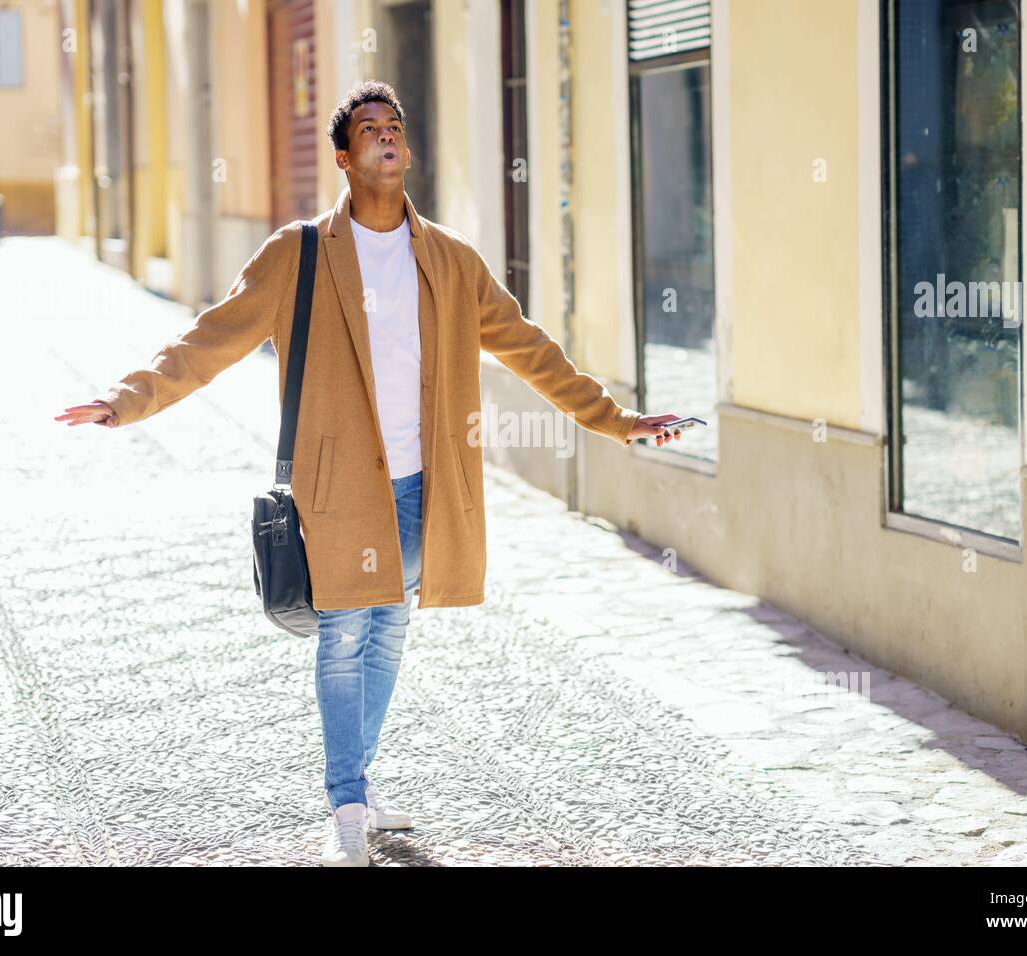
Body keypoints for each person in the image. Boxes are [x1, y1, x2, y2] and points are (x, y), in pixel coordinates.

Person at [55, 80, 685, 867]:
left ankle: (356, 781)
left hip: (426, 487)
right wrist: (126, 400)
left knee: (387, 633)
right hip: (337, 487)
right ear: (345, 157)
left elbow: (531, 350)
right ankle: (347, 801)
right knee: (347, 635)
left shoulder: (451, 261)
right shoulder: (298, 254)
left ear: (406, 151)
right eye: (369, 129)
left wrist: (617, 420)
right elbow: (208, 340)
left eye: (395, 126)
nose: (386, 137)